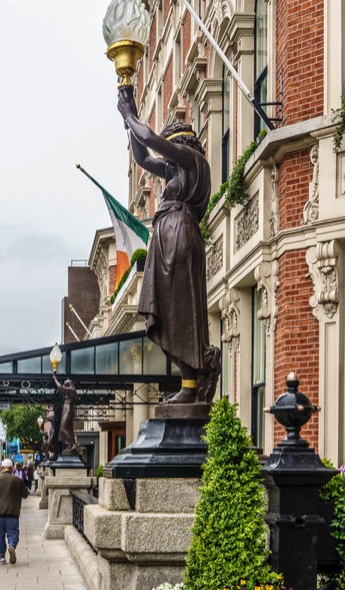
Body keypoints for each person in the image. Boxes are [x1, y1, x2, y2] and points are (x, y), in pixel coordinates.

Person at [117, 85, 220, 404]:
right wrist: (128, 119)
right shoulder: (177, 168)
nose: (166, 160)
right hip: (168, 236)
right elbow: (142, 155)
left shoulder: (192, 160)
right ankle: (188, 386)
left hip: (178, 235)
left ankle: (191, 386)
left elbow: (150, 140)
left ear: (182, 143)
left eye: (169, 147)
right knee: (170, 311)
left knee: (180, 312)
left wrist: (131, 116)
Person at [0, 457, 29, 565]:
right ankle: (11, 545)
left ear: (2, 468)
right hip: (13, 513)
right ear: (12, 469)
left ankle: (2, 557)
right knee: (13, 532)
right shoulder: (17, 480)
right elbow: (25, 495)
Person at [52, 371, 79, 454]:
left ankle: (74, 444)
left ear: (68, 384)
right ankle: (71, 445)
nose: (64, 386)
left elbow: (60, 387)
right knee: (68, 430)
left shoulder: (72, 390)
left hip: (68, 411)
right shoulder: (70, 392)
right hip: (66, 411)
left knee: (64, 429)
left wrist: (55, 378)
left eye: (65, 385)